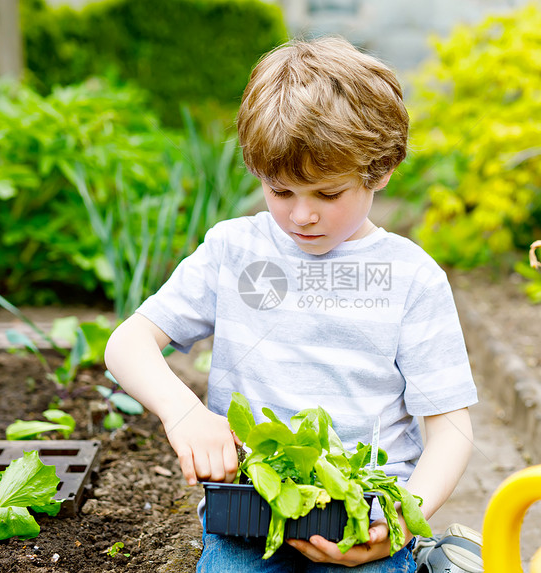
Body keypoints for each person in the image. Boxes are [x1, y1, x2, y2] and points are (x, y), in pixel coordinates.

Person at [104, 35, 478, 572]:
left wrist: (401, 520)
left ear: (381, 172)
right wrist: (184, 412)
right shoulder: (235, 250)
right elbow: (128, 343)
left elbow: (450, 430)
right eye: (280, 192)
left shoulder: (411, 277)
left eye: (327, 194)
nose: (302, 216)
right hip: (247, 515)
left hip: (364, 517)